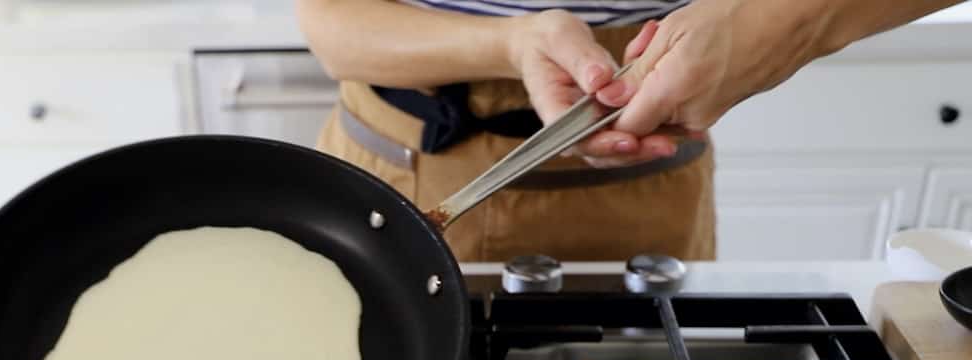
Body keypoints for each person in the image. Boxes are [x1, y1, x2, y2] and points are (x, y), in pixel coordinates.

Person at [295, 0, 961, 263]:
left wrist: (786, 17)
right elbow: (330, 24)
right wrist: (511, 42)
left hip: (652, 164)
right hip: (399, 162)